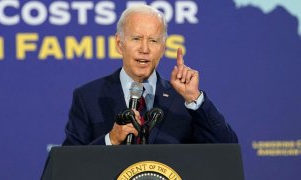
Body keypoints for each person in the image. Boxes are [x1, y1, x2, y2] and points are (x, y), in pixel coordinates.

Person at [62, 5, 238, 146]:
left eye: (153, 41)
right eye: (136, 39)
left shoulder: (183, 100)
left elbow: (227, 149)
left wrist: (194, 99)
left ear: (162, 48)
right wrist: (111, 140)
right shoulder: (88, 97)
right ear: (119, 44)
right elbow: (67, 167)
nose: (144, 49)